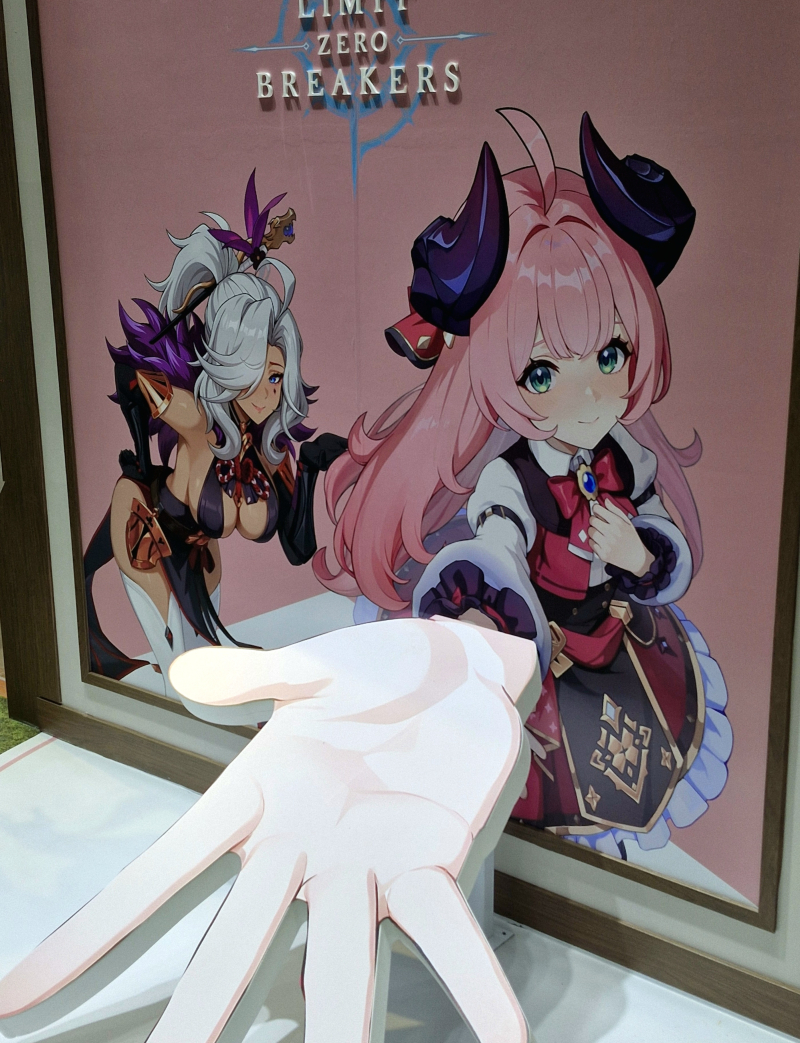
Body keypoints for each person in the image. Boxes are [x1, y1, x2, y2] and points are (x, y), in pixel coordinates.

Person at [316, 110, 731, 858]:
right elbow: (498, 550)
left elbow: (656, 524)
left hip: (619, 640)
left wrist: (640, 555)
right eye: (542, 372)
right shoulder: (511, 480)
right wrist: (485, 613)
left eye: (610, 356)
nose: (587, 397)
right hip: (548, 653)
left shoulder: (625, 456)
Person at [85, 172, 346, 694]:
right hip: (146, 534)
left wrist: (313, 467)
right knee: (179, 673)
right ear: (229, 365)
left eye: (276, 376)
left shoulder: (270, 450)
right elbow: (127, 373)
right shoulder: (198, 419)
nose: (267, 391)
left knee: (209, 668)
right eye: (253, 372)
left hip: (199, 556)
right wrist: (141, 459)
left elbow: (298, 550)